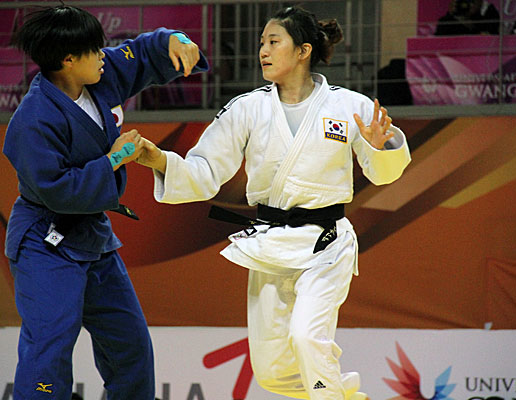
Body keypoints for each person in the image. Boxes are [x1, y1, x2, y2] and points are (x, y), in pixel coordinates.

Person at [136, 5, 410, 400]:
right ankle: (341, 392)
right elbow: (205, 170)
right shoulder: (247, 109)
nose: (263, 51)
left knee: (307, 337)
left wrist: (381, 148)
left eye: (273, 42)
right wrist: (159, 160)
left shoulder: (350, 106)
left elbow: (384, 174)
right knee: (272, 374)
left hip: (327, 242)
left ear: (303, 50)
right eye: (262, 42)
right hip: (271, 243)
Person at [2, 5, 208, 400]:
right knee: (49, 349)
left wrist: (174, 40)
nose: (104, 55)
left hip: (93, 238)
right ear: (67, 60)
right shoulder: (32, 120)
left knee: (131, 347)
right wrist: (113, 159)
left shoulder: (98, 74)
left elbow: (142, 53)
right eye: (95, 50)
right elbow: (57, 191)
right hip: (45, 241)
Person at [435, 0, 500, 36]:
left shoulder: (490, 12)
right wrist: (451, 14)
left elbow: (491, 38)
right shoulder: (447, 20)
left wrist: (471, 21)